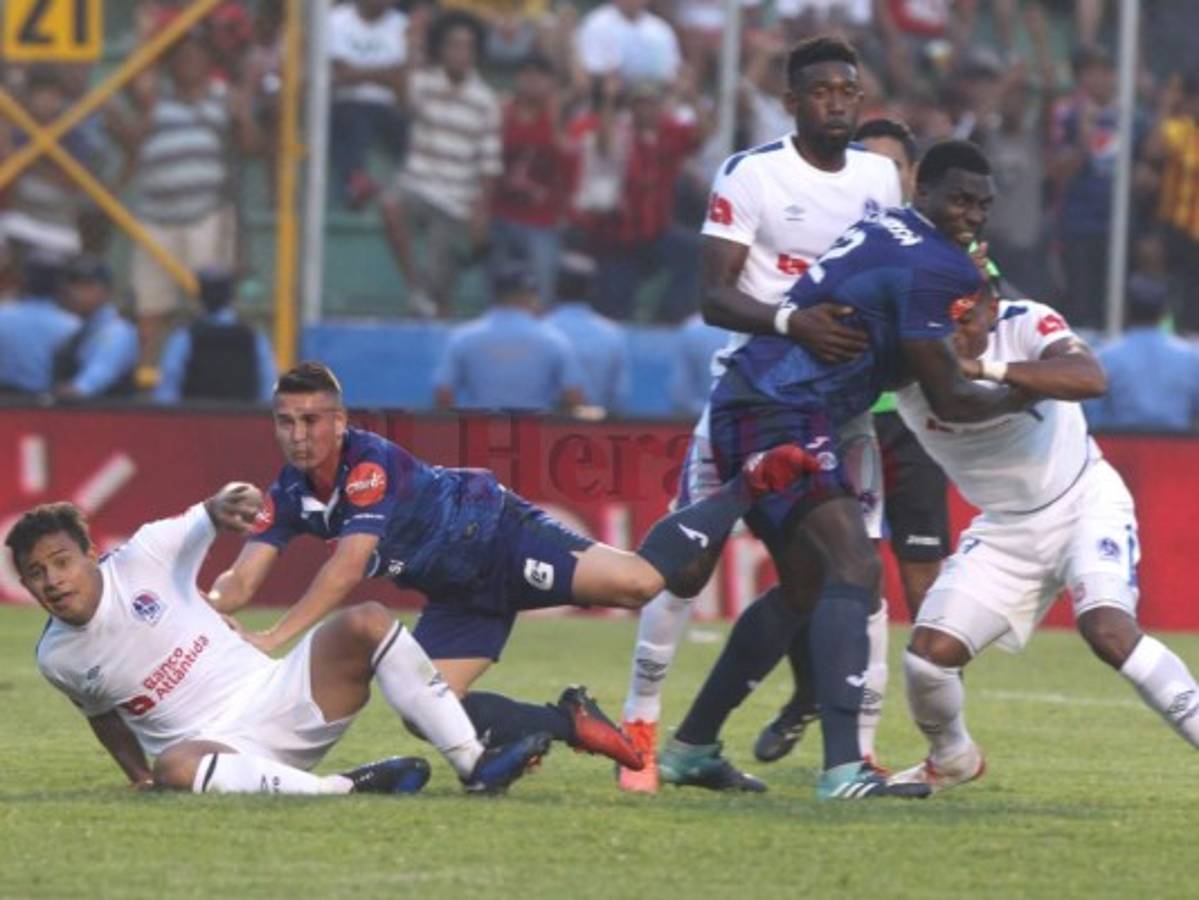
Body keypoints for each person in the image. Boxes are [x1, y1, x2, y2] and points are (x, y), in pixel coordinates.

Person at [661, 139, 1045, 801]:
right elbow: (950, 396)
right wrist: (1026, 390)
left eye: (982, 205)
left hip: (759, 401)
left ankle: (691, 747)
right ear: (919, 190)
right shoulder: (932, 266)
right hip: (778, 411)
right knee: (855, 567)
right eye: (958, 199)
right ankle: (843, 771)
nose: (971, 215)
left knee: (807, 584)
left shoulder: (884, 226)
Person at [207, 361, 818, 774]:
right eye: (286, 422)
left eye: (312, 420)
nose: (299, 434)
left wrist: (273, 637)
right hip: (455, 593)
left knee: (639, 583)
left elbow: (345, 571)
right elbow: (241, 581)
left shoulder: (369, 463)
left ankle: (748, 484)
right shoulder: (286, 494)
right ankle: (568, 720)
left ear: (340, 421)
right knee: (428, 712)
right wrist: (204, 607)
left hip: (498, 537)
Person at [616, 40, 904, 795]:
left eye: (849, 88)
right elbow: (713, 298)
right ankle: (641, 728)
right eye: (821, 91)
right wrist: (791, 322)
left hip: (843, 406)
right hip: (756, 395)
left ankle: (850, 749)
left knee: (844, 573)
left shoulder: (879, 175)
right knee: (689, 566)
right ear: (792, 101)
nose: (837, 101)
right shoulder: (753, 174)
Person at [9, 484, 550, 796]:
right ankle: (345, 789)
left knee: (366, 619)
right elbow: (101, 715)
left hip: (284, 697)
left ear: (89, 553)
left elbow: (210, 512)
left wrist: (230, 501)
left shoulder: (146, 554)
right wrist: (139, 778)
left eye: (61, 562)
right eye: (36, 574)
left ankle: (474, 764)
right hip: (217, 755)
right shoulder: (57, 656)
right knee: (174, 767)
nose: (53, 580)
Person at [888, 278, 1199, 793]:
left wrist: (987, 369)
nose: (956, 334)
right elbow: (965, 404)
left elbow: (1089, 376)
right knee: (926, 659)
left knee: (1108, 630)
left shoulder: (1028, 321)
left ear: (993, 306)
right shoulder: (908, 362)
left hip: (1083, 500)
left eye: (968, 319)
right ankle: (953, 758)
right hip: (1007, 528)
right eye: (946, 323)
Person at [750, 117, 952, 765]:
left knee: (923, 581)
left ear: (914, 181)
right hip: (833, 414)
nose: (883, 181)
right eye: (874, 167)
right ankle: (811, 695)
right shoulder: (837, 237)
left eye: (895, 171)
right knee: (815, 570)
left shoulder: (948, 244)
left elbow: (977, 306)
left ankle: (938, 735)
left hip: (912, 422)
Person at [379, 11, 501, 318]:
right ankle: (414, 285)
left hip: (455, 199)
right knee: (391, 205)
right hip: (417, 183)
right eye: (454, 46)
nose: (461, 53)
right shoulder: (424, 83)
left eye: (467, 47)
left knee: (440, 286)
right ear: (442, 49)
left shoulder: (485, 100)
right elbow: (402, 95)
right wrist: (410, 48)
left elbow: (488, 162)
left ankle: (431, 301)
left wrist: (480, 211)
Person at [433, 261, 586, 412]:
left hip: (480, 431)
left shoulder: (464, 337)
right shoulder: (553, 339)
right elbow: (574, 397)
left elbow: (443, 395)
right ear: (531, 296)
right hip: (536, 431)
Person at [1083, 277, 1199, 431]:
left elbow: (1093, 415)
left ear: (1126, 311)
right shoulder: (1191, 357)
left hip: (1119, 450)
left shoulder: (1105, 357)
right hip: (1178, 450)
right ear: (1165, 312)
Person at [327, 0, 410, 209]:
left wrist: (356, 72)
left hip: (390, 105)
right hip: (346, 102)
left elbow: (401, 77)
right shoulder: (336, 20)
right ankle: (356, 181)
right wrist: (384, 73)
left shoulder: (403, 25)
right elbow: (337, 73)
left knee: (413, 128)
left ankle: (414, 191)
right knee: (349, 117)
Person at [154, 269, 277, 405]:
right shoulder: (254, 337)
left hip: (194, 421)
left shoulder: (185, 336)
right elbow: (267, 388)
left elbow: (168, 390)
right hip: (242, 422)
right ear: (230, 298)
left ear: (201, 297)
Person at [543, 248, 630, 415]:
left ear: (555, 288)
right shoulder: (612, 334)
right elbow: (619, 398)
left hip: (543, 432)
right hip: (595, 433)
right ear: (592, 290)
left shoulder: (540, 330)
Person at [51, 256, 139, 401]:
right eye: (75, 286)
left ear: (107, 291)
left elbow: (101, 372)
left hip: (110, 418)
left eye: (88, 286)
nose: (78, 294)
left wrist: (77, 389)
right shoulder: (78, 330)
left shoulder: (117, 331)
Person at [0, 253, 78, 396]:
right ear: (59, 286)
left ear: (24, 281)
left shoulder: (3, 316)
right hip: (45, 407)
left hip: (4, 404)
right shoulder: (71, 326)